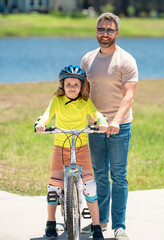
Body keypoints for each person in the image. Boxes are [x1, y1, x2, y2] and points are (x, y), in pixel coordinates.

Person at [81, 13, 138, 240]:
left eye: (110, 30)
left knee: (119, 175)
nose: (105, 34)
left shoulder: (126, 60)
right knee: (100, 175)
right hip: (95, 127)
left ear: (117, 33)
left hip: (119, 126)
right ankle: (101, 221)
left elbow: (129, 96)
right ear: (97, 31)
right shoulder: (87, 59)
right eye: (102, 30)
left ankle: (119, 226)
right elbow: (83, 94)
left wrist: (115, 121)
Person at [35, 65, 108, 240]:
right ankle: (51, 222)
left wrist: (102, 120)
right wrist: (41, 123)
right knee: (54, 187)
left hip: (82, 147)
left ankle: (96, 226)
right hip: (60, 147)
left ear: (81, 86)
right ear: (62, 85)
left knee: (90, 187)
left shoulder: (85, 103)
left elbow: (96, 113)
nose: (72, 88)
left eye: (76, 84)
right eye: (69, 84)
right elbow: (47, 114)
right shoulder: (57, 101)